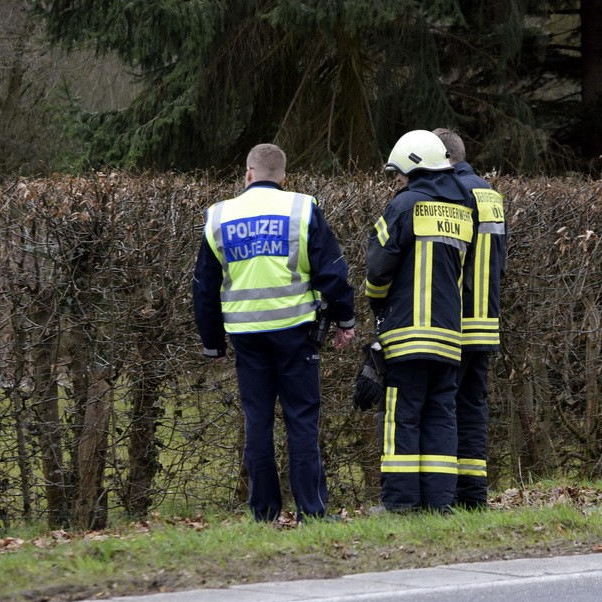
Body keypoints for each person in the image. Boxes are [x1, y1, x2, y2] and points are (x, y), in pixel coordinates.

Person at [193, 143, 356, 522]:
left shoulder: (218, 216)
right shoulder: (301, 208)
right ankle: (311, 513)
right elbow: (331, 270)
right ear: (283, 177)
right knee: (301, 419)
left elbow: (204, 285)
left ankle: (264, 513)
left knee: (258, 420)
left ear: (247, 173)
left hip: (246, 335)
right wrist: (345, 320)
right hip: (295, 331)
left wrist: (212, 343)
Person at [365, 130, 476, 513]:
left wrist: (377, 309)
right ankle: (439, 504)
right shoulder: (463, 211)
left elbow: (377, 271)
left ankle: (399, 503)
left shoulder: (403, 206)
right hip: (448, 335)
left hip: (407, 333)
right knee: (441, 416)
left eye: (399, 173)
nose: (397, 181)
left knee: (403, 416)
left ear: (413, 167)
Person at [433, 128, 507, 509]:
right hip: (486, 318)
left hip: (454, 317)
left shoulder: (452, 193)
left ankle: (443, 495)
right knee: (474, 406)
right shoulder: (490, 193)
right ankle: (474, 495)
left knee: (443, 405)